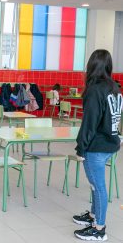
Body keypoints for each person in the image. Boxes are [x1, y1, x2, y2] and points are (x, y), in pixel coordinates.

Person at [73, 49, 122, 241]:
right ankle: (93, 216)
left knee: (98, 186)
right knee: (96, 185)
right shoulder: (114, 87)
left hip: (97, 147)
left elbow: (89, 123)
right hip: (111, 144)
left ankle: (99, 229)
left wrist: (80, 148)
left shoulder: (94, 89)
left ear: (91, 65)